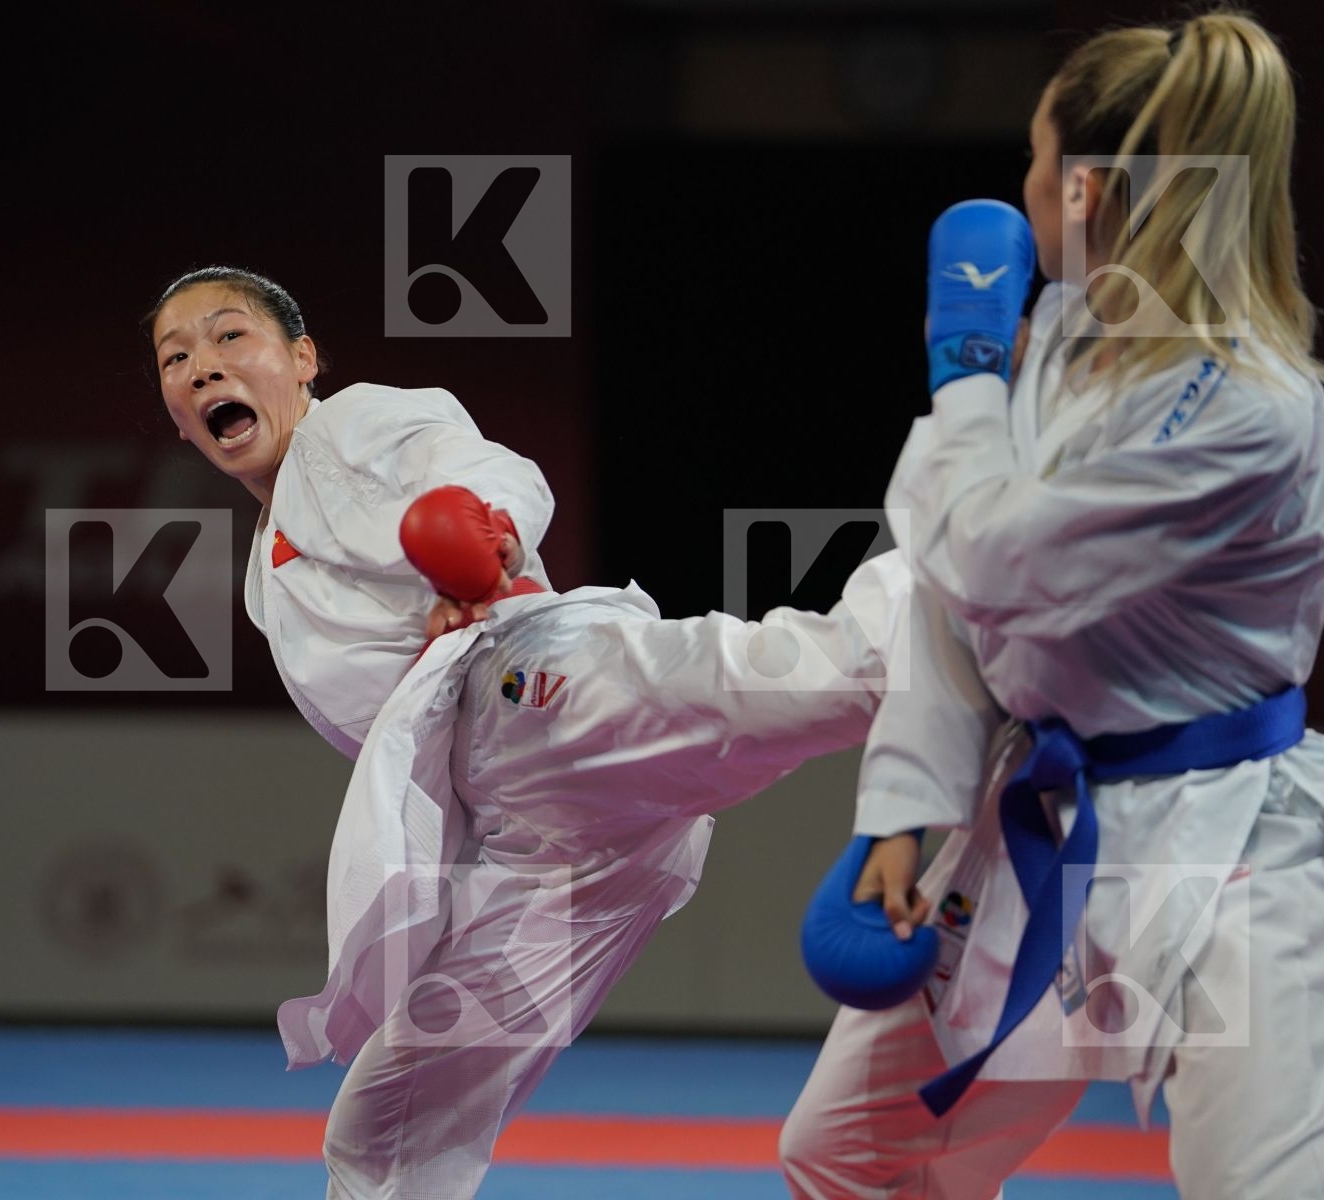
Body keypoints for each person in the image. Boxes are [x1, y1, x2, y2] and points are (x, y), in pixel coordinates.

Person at [145, 264, 910, 1197]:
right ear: (175, 416)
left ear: (302, 360)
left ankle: (977, 587)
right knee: (390, 1125)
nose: (201, 366)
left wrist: (481, 529)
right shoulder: (268, 582)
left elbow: (483, 467)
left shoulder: (354, 425)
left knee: (797, 677)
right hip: (539, 842)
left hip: (539, 692)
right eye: (176, 358)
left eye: (230, 338)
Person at [779, 11, 1324, 1199]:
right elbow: (956, 599)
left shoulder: (1245, 406)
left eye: (1039, 161)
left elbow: (998, 560)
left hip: (1234, 854)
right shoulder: (1054, 338)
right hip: (1042, 826)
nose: (1026, 186)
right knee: (850, 1154)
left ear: (1088, 190)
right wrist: (907, 801)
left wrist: (960, 378)